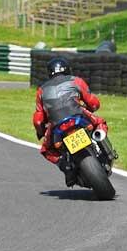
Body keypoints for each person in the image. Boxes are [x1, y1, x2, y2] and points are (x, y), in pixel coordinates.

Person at [32, 57, 109, 185]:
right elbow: (93, 103)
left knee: (46, 150)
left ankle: (65, 166)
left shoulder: (41, 90)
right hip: (78, 116)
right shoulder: (76, 81)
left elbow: (38, 119)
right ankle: (102, 145)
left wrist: (40, 131)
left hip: (57, 125)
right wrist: (91, 107)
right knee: (100, 122)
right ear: (67, 69)